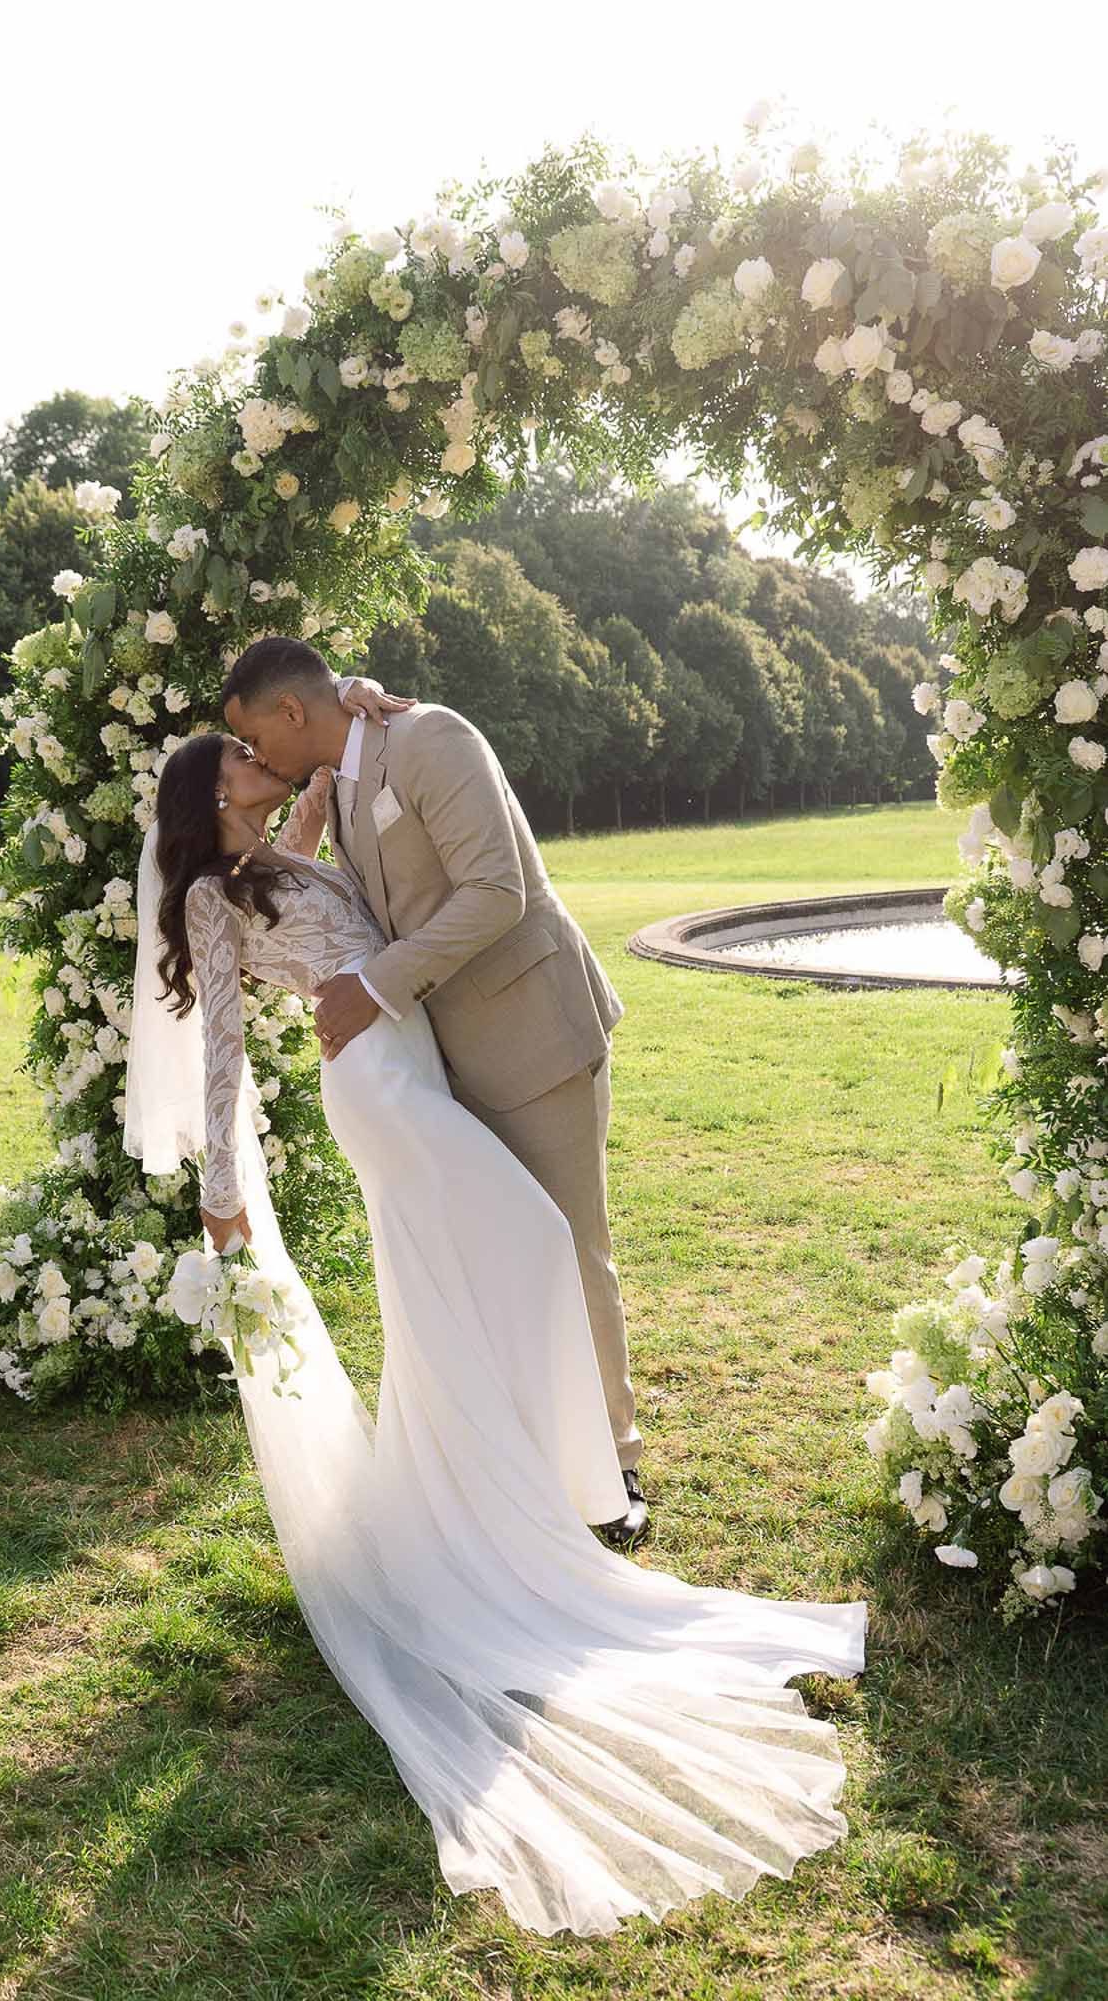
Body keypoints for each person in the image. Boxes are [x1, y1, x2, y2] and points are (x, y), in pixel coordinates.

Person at [122, 675, 869, 1939]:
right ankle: (528, 1489)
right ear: (208, 794)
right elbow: (225, 1051)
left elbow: (326, 773)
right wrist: (222, 1195)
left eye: (258, 742)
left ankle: (502, 1474)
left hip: (409, 1056)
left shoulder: (283, 845)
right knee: (526, 1239)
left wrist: (356, 714)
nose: (255, 758)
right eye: (234, 756)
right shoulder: (205, 894)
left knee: (462, 1286)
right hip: (381, 1087)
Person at [224, 639, 649, 1550]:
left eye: (250, 733)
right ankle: (536, 1451)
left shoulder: (432, 740)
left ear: (290, 714)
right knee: (489, 1255)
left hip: (529, 1030)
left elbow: (496, 892)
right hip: (432, 1060)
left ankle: (615, 1460)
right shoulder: (335, 772)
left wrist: (373, 985)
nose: (250, 753)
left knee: (569, 1246)